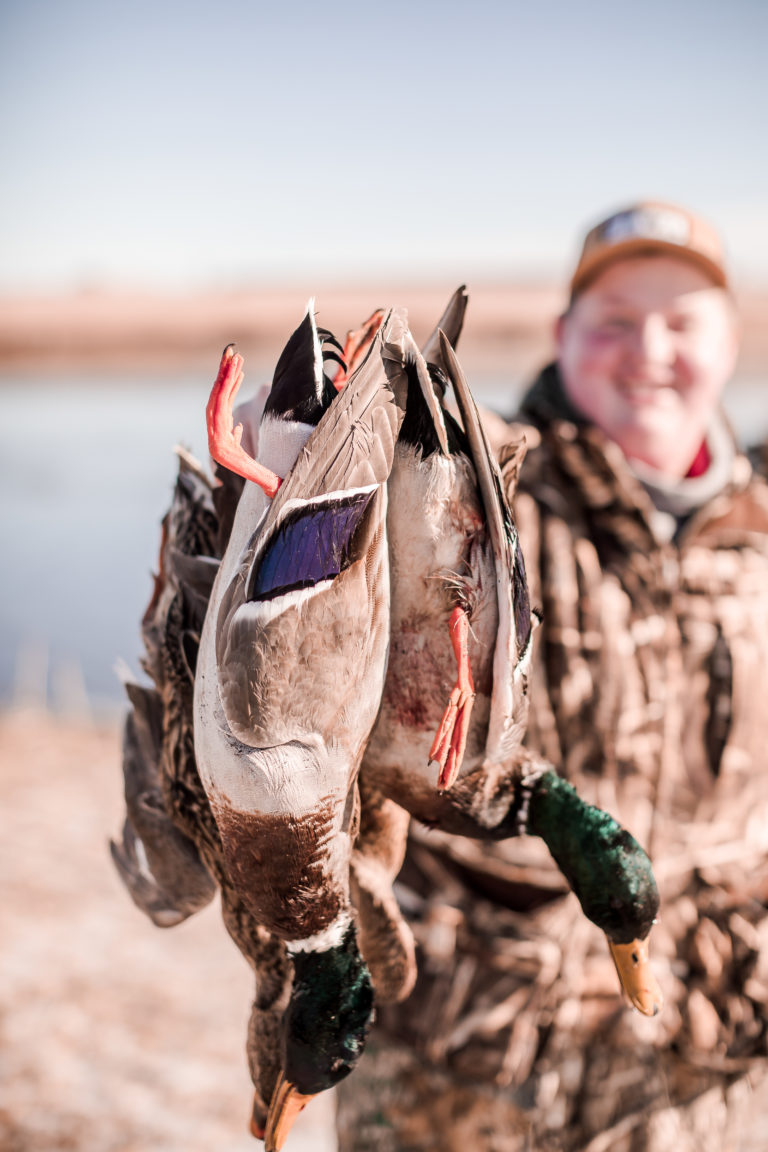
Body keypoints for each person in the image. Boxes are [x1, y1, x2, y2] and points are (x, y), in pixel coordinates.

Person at [335, 202, 768, 1152]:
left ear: (732, 342)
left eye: (683, 321)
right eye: (613, 320)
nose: (646, 349)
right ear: (562, 336)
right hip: (463, 1069)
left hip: (703, 1078)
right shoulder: (469, 498)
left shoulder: (763, 529)